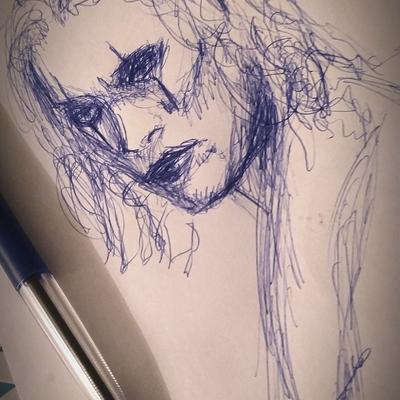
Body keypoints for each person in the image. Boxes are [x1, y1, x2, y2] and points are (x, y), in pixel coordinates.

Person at [4, 0, 398, 399]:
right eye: (89, 116)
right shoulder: (243, 229)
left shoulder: (370, 153)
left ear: (209, 17)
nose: (131, 140)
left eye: (141, 70)